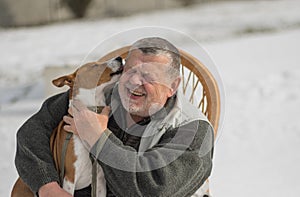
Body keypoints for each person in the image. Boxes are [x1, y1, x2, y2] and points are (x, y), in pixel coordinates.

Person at [15, 37, 214, 197]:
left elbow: (152, 189)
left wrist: (97, 138)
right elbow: (31, 132)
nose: (134, 81)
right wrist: (48, 187)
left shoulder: (193, 131)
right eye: (130, 70)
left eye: (148, 76)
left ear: (172, 86)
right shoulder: (101, 94)